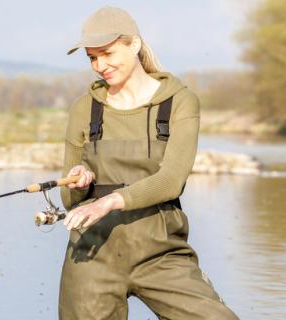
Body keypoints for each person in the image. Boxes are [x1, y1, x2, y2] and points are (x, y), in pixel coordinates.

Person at [58, 6, 238, 320]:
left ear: (135, 45)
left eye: (107, 53)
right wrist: (78, 181)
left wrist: (109, 202)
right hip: (92, 254)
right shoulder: (83, 109)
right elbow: (68, 200)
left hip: (160, 252)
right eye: (92, 57)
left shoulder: (180, 101)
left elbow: (171, 181)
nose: (100, 65)